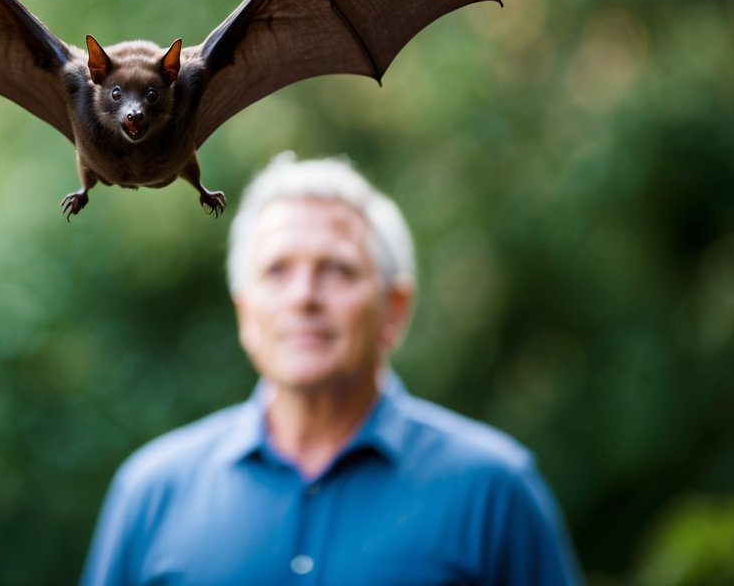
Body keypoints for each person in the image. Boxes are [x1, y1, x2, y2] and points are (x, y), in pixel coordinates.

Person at [79, 152, 582, 585]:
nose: (303, 297)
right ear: (244, 312)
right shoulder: (152, 493)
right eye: (277, 271)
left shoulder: (493, 492)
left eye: (337, 269)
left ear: (395, 309)